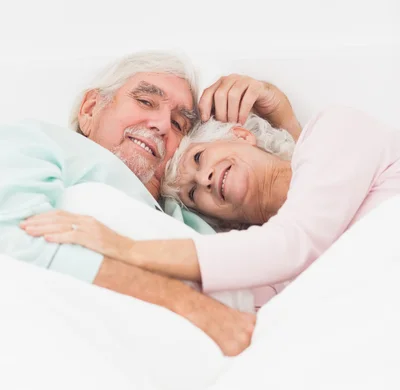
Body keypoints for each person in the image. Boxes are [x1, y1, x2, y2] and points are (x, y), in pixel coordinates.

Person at [2, 58, 297, 355]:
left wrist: (283, 119)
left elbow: (306, 234)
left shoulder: (197, 209)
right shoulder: (38, 141)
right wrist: (191, 306)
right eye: (145, 101)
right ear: (90, 109)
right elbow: (12, 237)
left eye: (179, 124)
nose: (160, 125)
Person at [25, 82, 400, 309]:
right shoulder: (262, 271)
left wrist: (125, 247)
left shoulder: (337, 129)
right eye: (191, 192)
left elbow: (296, 238)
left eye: (200, 158)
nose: (203, 179)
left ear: (239, 135)